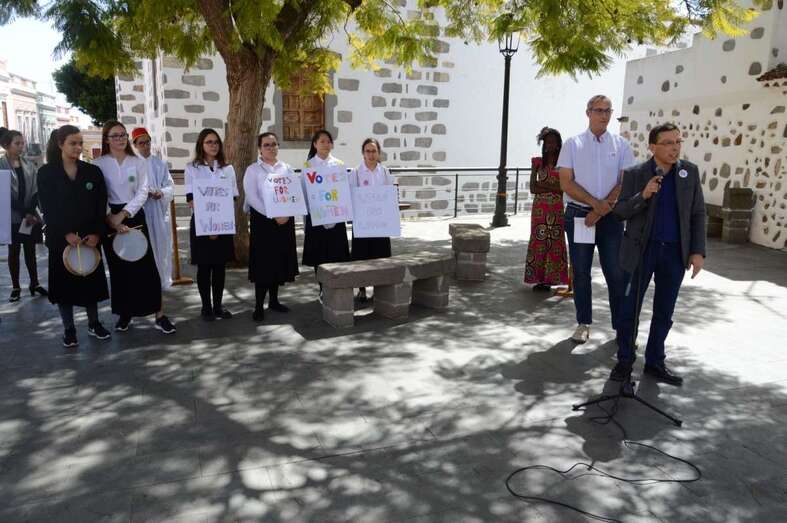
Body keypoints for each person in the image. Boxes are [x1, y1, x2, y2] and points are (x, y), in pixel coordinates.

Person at [611, 123, 706, 386]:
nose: (674, 147)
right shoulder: (635, 173)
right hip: (642, 251)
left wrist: (697, 251)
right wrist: (643, 195)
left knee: (664, 311)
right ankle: (625, 361)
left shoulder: (689, 172)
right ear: (652, 147)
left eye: (678, 141)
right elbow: (620, 211)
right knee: (630, 310)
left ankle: (655, 362)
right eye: (668, 142)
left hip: (675, 253)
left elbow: (698, 213)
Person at [558, 95, 635, 344]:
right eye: (599, 110)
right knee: (580, 272)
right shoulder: (573, 144)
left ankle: (622, 327)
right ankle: (583, 323)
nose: (604, 115)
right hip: (580, 216)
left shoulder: (621, 145)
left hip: (610, 217)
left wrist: (601, 210)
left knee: (616, 271)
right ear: (588, 112)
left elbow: (625, 182)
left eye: (608, 110)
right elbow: (566, 182)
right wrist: (594, 205)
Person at [37, 126, 111, 347]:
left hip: (90, 239)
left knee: (90, 284)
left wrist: (97, 233)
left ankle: (94, 323)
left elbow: (100, 205)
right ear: (60, 144)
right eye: (73, 143)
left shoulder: (92, 172)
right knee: (64, 288)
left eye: (80, 143)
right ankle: (69, 329)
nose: (78, 148)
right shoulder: (46, 173)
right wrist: (65, 233)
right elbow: (47, 208)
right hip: (61, 240)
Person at [93, 120, 170, 333]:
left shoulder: (137, 162)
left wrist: (124, 214)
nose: (119, 139)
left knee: (146, 267)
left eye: (122, 135)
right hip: (109, 217)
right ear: (106, 139)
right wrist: (110, 217)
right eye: (114, 135)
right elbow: (99, 195)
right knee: (119, 269)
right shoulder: (99, 164)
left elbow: (143, 191)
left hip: (134, 214)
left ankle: (159, 314)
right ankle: (125, 313)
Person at [243, 132, 299, 321]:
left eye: (274, 144)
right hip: (264, 222)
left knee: (279, 262)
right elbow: (252, 197)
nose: (271, 148)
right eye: (267, 145)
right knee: (263, 264)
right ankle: (259, 305)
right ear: (259, 148)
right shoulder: (253, 170)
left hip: (285, 221)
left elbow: (294, 193)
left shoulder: (287, 168)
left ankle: (274, 301)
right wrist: (273, 214)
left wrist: (287, 214)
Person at [185, 128, 239, 321]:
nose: (213, 145)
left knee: (219, 267)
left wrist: (217, 223)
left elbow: (232, 196)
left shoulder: (228, 168)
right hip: (201, 223)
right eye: (209, 142)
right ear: (201, 144)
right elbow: (191, 199)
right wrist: (208, 226)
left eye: (216, 142)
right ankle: (206, 307)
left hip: (223, 224)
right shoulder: (192, 168)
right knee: (204, 267)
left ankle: (218, 306)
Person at [130, 127, 177, 334]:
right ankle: (132, 307)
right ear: (135, 145)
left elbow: (170, 186)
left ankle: (159, 305)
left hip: (157, 214)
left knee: (159, 255)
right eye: (141, 143)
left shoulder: (159, 164)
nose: (145, 146)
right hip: (137, 216)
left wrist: (160, 193)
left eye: (148, 141)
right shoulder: (130, 164)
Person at [301, 129, 350, 299]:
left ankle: (338, 288)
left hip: (336, 217)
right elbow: (305, 194)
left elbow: (344, 192)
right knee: (319, 256)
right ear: (315, 144)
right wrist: (311, 216)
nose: (325, 144)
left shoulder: (339, 164)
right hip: (317, 218)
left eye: (328, 141)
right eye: (321, 141)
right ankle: (322, 288)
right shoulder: (308, 166)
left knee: (337, 254)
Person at [0, 127, 47, 302]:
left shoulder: (29, 164)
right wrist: (24, 212)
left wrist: (30, 211)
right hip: (11, 216)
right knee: (14, 251)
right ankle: (15, 287)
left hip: (29, 215)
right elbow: (3, 193)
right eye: (17, 143)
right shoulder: (1, 165)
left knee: (30, 249)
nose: (21, 146)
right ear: (6, 145)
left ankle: (34, 283)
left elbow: (36, 189)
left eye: (22, 143)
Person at [349, 138, 396, 301]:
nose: (371, 154)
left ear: (378, 153)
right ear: (363, 153)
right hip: (362, 223)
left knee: (380, 255)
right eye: (368, 151)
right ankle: (361, 289)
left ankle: (380, 288)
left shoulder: (384, 172)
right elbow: (351, 195)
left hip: (380, 222)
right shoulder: (355, 172)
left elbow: (390, 194)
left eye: (374, 151)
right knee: (361, 255)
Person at [524, 127, 569, 291]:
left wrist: (544, 185)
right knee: (539, 241)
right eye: (547, 142)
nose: (550, 144)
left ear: (558, 144)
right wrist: (551, 187)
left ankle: (551, 279)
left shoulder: (564, 163)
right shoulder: (537, 162)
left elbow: (563, 187)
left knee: (555, 241)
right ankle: (539, 279)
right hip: (539, 210)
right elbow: (533, 188)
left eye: (553, 141)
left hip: (556, 209)